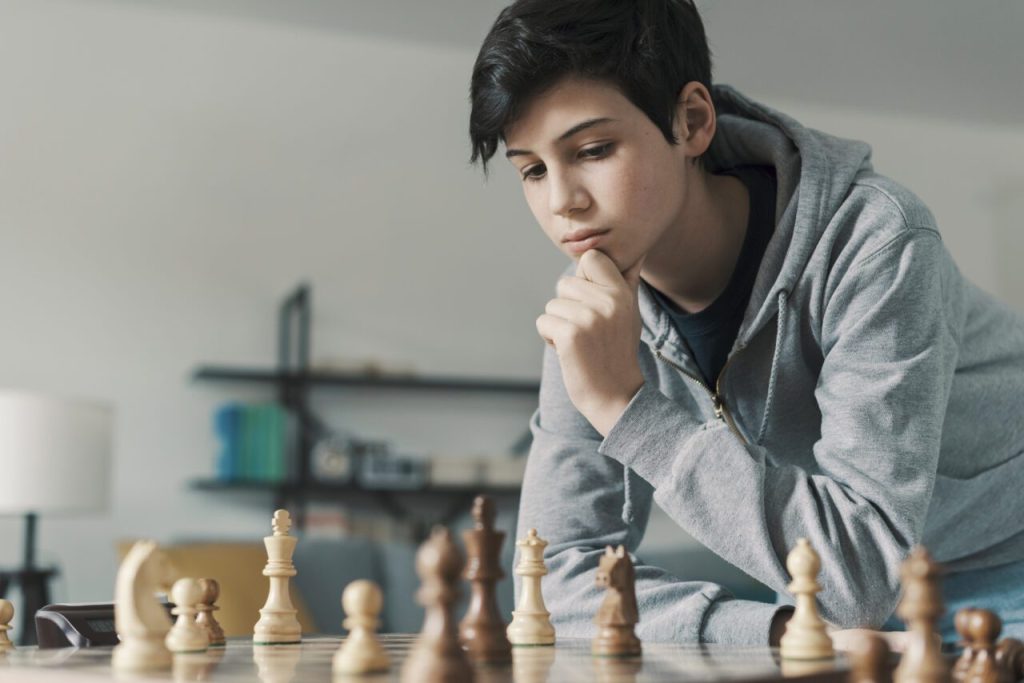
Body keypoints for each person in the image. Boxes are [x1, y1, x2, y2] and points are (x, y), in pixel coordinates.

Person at [468, 0, 1024, 646]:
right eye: (532, 170)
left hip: (1003, 568)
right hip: (836, 610)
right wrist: (777, 627)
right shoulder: (588, 313)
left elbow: (859, 578)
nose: (562, 201)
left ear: (693, 122)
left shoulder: (877, 243)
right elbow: (554, 581)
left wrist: (629, 407)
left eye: (593, 149)